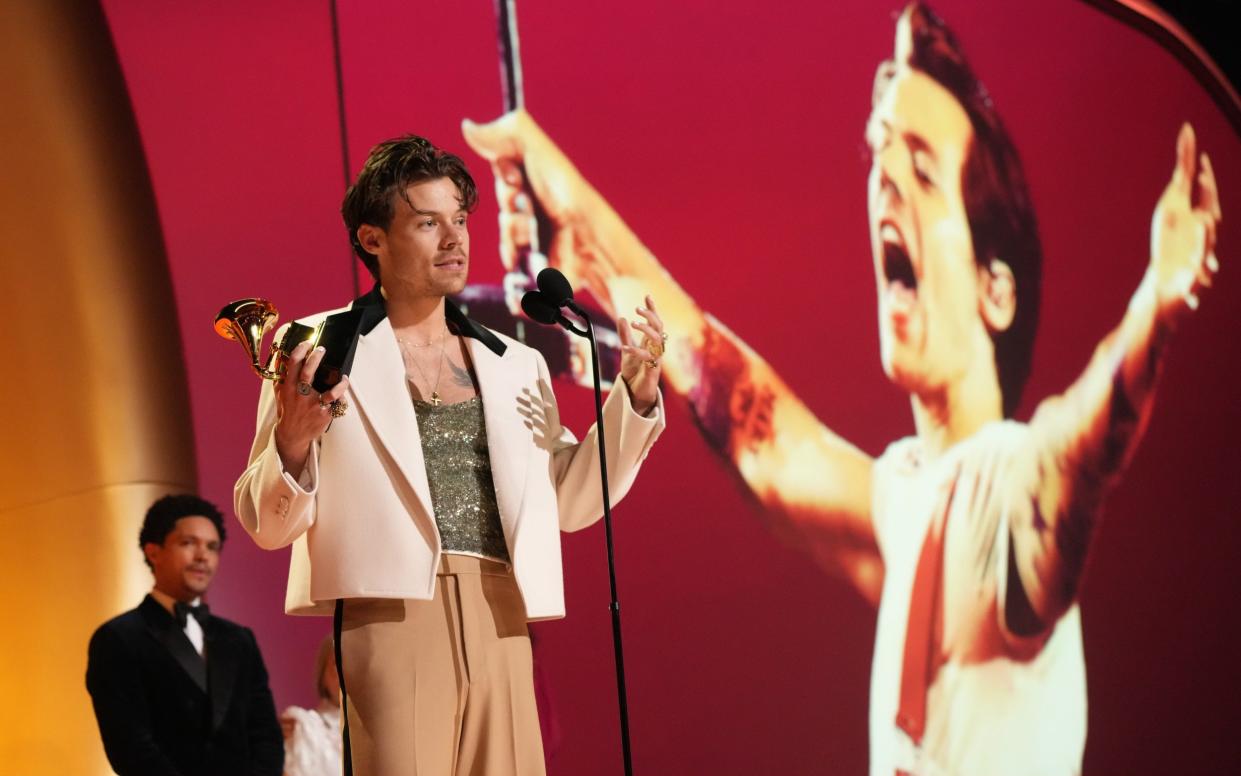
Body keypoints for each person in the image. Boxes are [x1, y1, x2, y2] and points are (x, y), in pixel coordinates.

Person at [459, 3, 1223, 774]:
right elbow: (757, 427)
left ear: (996, 289)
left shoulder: (1005, 485)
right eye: (880, 155)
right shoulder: (909, 495)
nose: (886, 179)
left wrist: (1152, 307)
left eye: (920, 169)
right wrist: (583, 234)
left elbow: (1076, 456)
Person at [233, 134, 665, 776]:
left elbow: (569, 503)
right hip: (390, 613)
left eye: (459, 220)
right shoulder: (315, 345)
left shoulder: (515, 362)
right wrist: (292, 441)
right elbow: (267, 523)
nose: (454, 240)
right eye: (428, 222)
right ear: (372, 238)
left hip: (502, 613)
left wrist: (633, 393)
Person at [85, 494, 283, 776]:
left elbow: (265, 735)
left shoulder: (240, 640)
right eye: (188, 543)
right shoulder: (117, 638)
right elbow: (130, 746)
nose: (203, 556)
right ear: (153, 552)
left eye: (212, 547)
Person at [280, 636, 342, 776]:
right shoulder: (301, 726)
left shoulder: (388, 731)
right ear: (323, 674)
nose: (348, 671)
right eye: (337, 663)